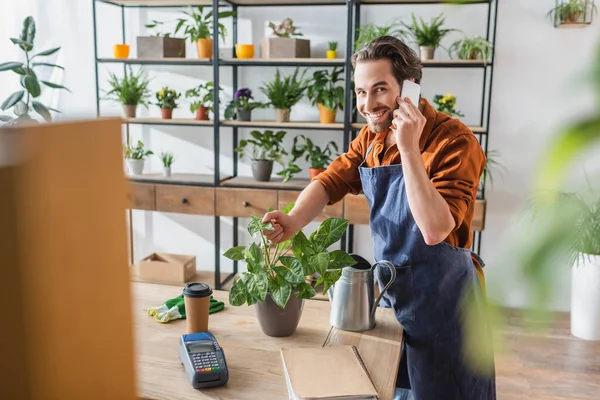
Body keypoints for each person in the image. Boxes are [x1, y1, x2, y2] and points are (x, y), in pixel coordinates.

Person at [261, 35, 496, 400]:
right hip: (392, 297)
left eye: (379, 89)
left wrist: (408, 149)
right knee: (392, 387)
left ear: (410, 88)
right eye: (360, 92)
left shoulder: (455, 142)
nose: (367, 104)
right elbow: (331, 180)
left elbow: (435, 229)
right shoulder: (372, 140)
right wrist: (293, 221)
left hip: (446, 305)